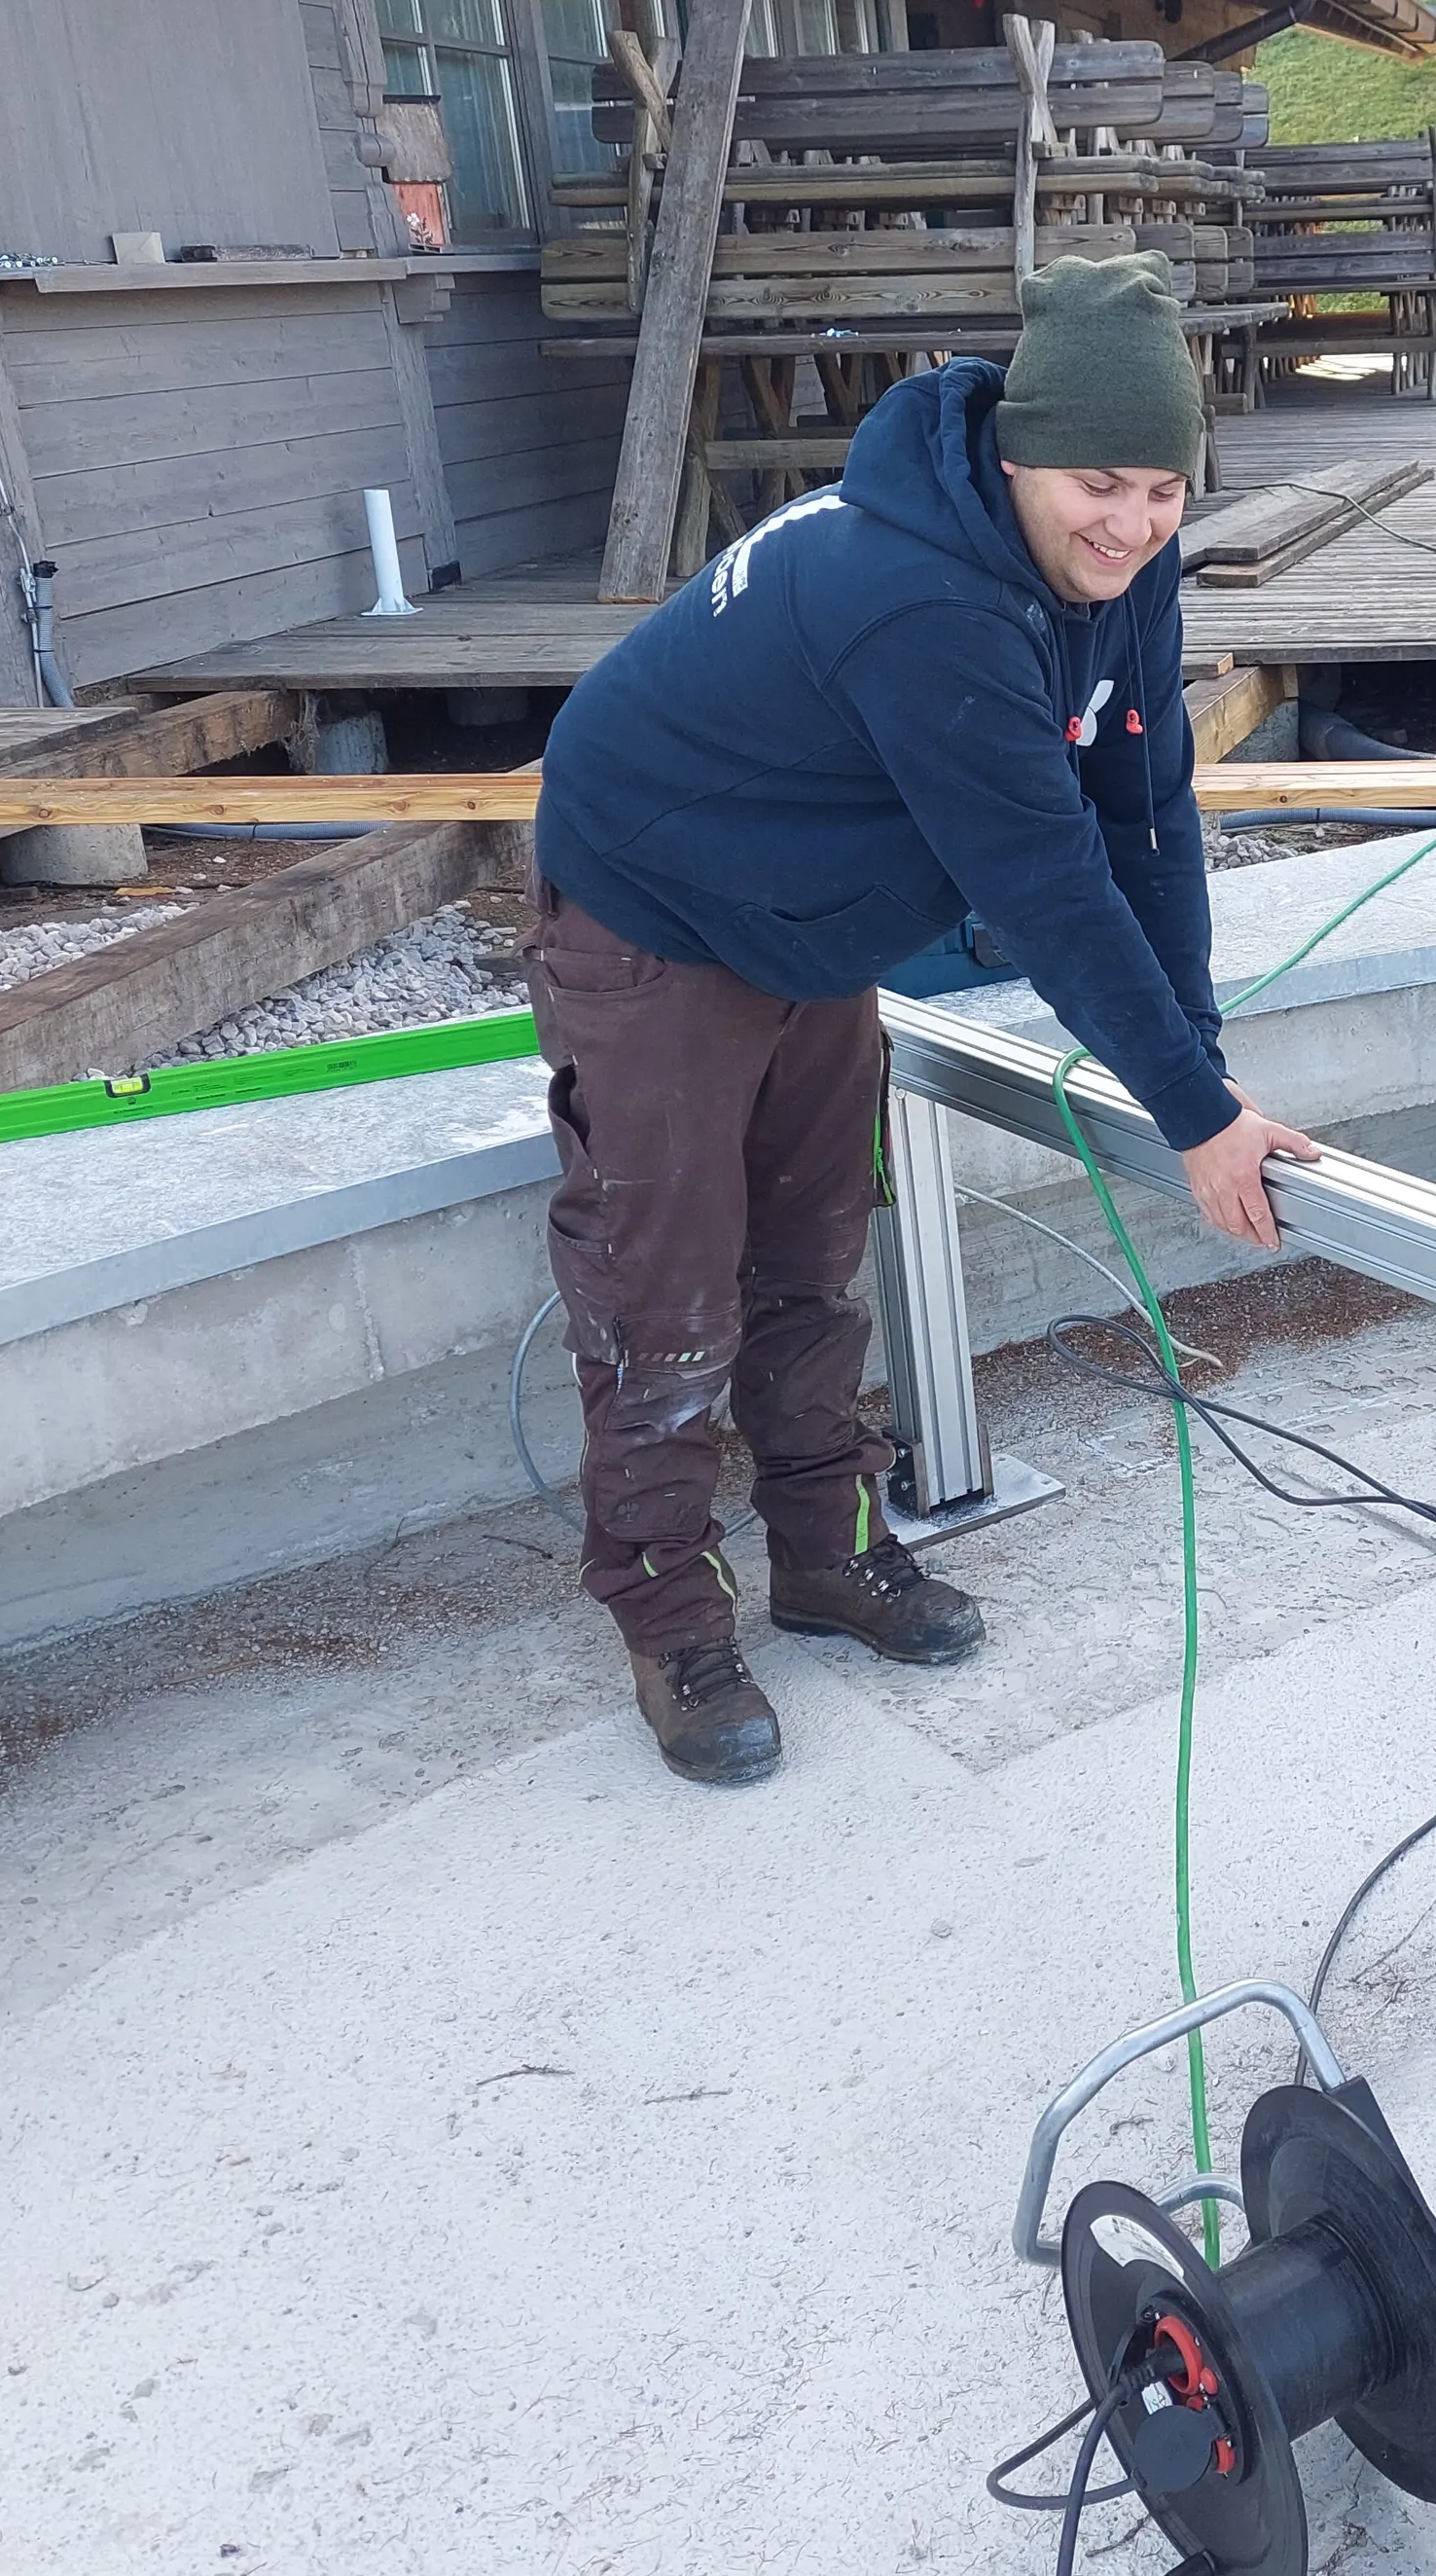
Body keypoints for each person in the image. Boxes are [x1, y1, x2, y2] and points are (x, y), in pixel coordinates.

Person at [528, 252, 1314, 1786]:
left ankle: (825, 1551)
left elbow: (1145, 814)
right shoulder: (919, 595)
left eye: (1164, 488)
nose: (1133, 524)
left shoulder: (1130, 570)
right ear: (1018, 453)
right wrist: (1193, 1117)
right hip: (656, 896)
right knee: (666, 1289)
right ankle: (670, 1616)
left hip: (812, 914)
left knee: (813, 1250)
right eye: (1100, 481)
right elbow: (1045, 880)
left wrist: (1201, 1068)